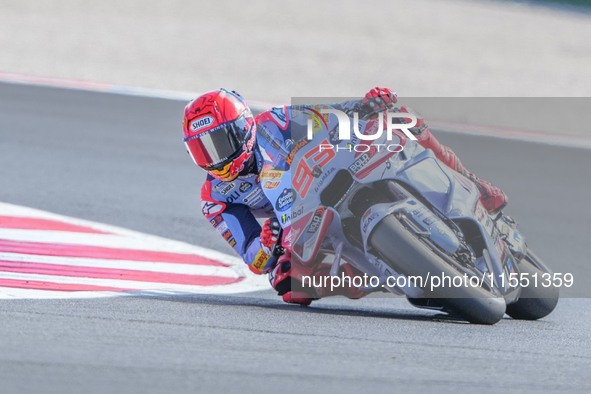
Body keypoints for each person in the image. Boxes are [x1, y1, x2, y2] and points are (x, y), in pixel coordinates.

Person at [182, 87, 508, 305]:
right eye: (202, 150)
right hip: (292, 225)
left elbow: (331, 114)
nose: (215, 158)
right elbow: (252, 256)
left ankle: (472, 182)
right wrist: (267, 243)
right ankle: (371, 274)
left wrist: (366, 105)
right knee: (287, 284)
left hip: (329, 174)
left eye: (219, 143)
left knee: (401, 117)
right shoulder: (215, 197)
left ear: (243, 127)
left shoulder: (277, 122)